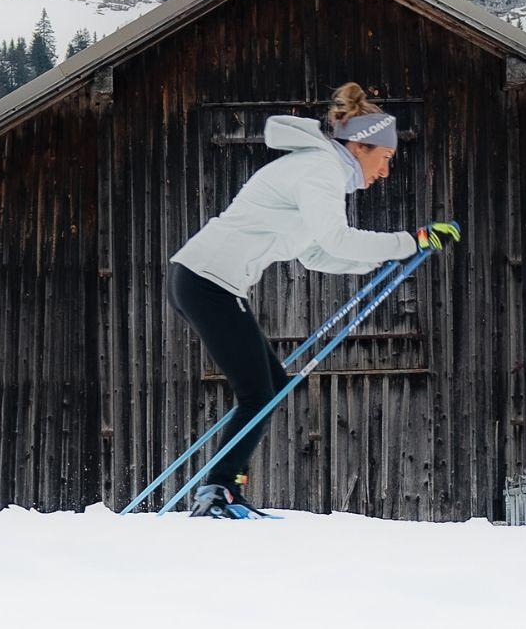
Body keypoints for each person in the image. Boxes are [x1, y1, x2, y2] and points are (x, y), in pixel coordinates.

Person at [163, 82, 460, 519]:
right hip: (208, 281)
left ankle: (224, 486)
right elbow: (337, 239)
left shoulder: (321, 172)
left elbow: (320, 253)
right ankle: (218, 491)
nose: (386, 171)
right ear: (361, 146)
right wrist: (410, 240)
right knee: (257, 392)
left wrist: (397, 255)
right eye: (386, 158)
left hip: (205, 280)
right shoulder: (320, 170)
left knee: (271, 386)